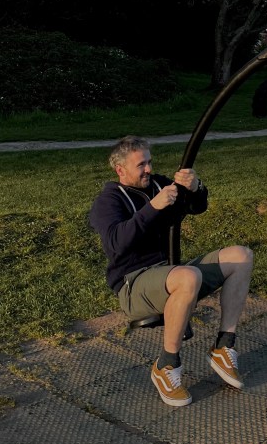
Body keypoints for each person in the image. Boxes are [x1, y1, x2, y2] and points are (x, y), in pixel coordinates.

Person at [89, 136, 254, 408]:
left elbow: (196, 206)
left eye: (149, 162)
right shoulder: (108, 201)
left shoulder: (157, 184)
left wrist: (196, 187)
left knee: (241, 256)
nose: (148, 169)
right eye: (141, 164)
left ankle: (224, 345)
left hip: (170, 274)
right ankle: (166, 366)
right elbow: (117, 243)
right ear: (120, 170)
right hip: (134, 284)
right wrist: (153, 207)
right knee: (189, 276)